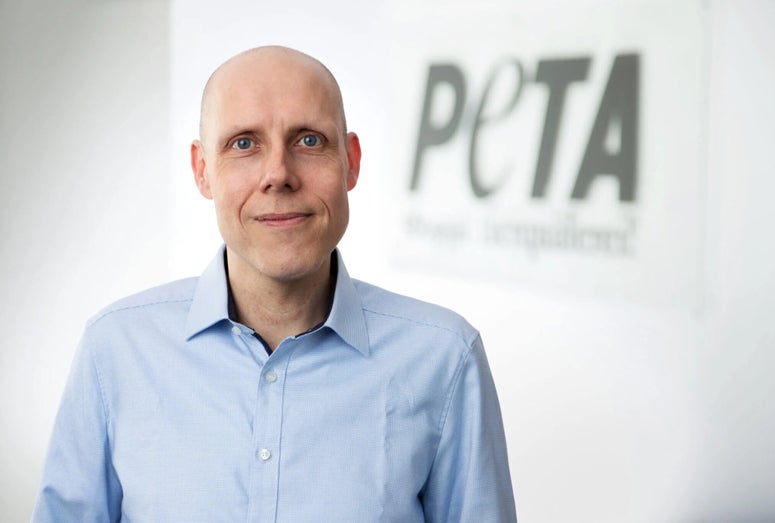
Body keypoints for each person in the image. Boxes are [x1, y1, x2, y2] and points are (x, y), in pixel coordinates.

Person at [32, 45, 516, 522]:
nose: (278, 174)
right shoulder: (115, 350)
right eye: (244, 144)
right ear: (203, 170)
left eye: (309, 140)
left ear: (351, 161)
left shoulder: (444, 358)